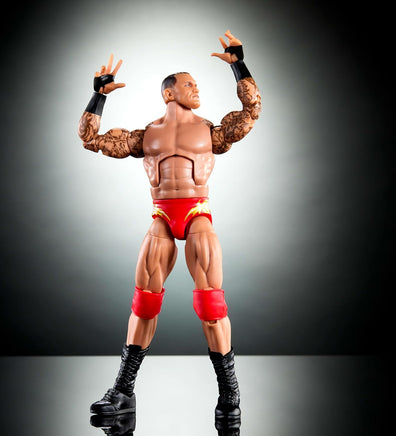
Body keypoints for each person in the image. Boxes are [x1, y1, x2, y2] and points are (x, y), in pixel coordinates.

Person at [78, 30, 261, 420]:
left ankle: (230, 394)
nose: (197, 89)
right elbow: (90, 139)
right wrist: (99, 96)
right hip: (161, 215)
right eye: (189, 85)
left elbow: (251, 113)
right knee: (144, 303)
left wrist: (239, 66)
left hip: (197, 213)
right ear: (169, 93)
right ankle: (122, 393)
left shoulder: (210, 131)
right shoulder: (147, 135)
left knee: (211, 304)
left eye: (197, 85)